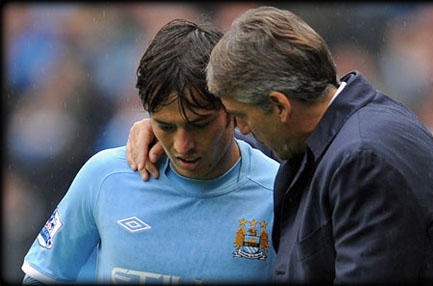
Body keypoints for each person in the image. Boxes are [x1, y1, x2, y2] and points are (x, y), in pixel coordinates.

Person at [126, 6, 433, 284]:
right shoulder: (352, 125)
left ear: (279, 106)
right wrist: (173, 129)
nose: (239, 129)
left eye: (240, 115)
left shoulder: (364, 161)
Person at [21, 19, 279, 285]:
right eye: (165, 126)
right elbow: (43, 277)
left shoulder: (279, 193)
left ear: (231, 108)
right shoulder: (104, 177)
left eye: (199, 125)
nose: (183, 145)